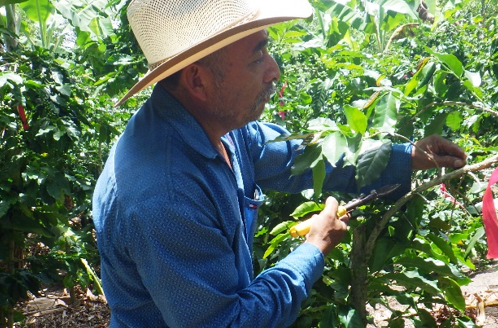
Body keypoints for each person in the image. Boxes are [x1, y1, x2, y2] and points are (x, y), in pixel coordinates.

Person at [92, 0, 467, 327]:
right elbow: (227, 323)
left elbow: (295, 158)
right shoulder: (165, 196)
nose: (274, 70)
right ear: (197, 79)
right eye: (257, 55)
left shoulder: (217, 124)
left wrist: (403, 157)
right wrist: (314, 250)